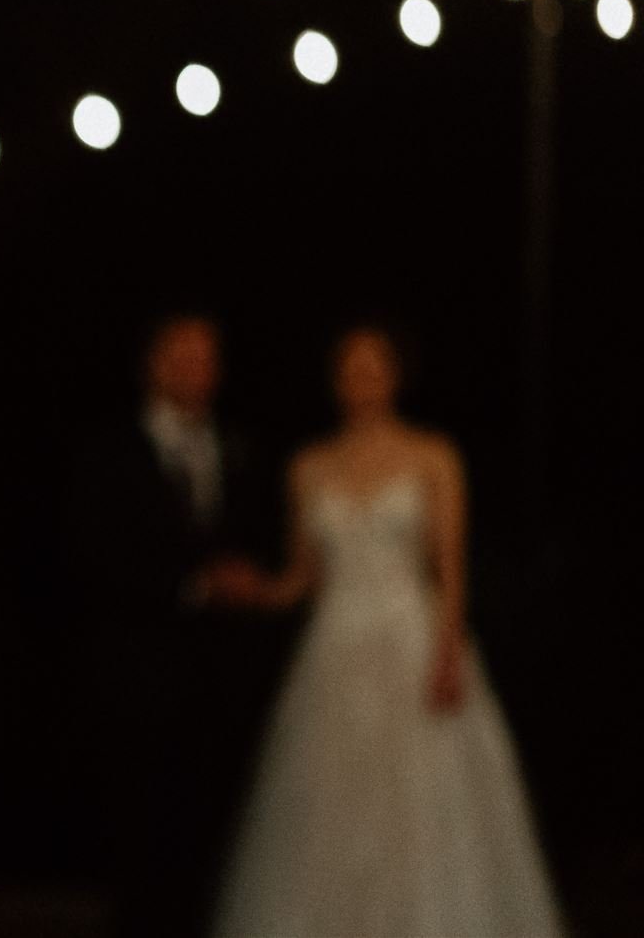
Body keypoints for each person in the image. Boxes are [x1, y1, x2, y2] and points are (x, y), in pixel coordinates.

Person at [206, 325, 564, 937]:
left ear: (396, 376)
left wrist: (449, 652)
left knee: (425, 800)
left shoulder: (433, 455)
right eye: (349, 368)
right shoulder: (309, 464)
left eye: (373, 368)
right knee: (332, 805)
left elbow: (448, 570)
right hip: (336, 644)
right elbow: (302, 578)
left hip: (409, 636)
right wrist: (254, 589)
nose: (361, 380)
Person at [63, 314, 284, 938]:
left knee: (216, 844)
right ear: (152, 363)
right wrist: (192, 585)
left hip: (224, 684)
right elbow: (91, 553)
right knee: (143, 847)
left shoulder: (241, 447)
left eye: (206, 358)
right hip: (138, 680)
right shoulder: (109, 449)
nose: (195, 370)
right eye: (181, 356)